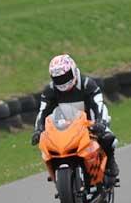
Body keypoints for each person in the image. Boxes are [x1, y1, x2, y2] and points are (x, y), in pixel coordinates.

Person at [31, 54, 120, 182]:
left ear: (73, 70)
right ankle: (57, 172)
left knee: (107, 137)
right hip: (66, 124)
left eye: (65, 77)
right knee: (48, 145)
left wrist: (100, 122)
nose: (62, 82)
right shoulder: (50, 90)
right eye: (58, 79)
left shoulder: (87, 84)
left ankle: (110, 161)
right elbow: (43, 112)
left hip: (89, 120)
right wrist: (38, 130)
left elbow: (98, 103)